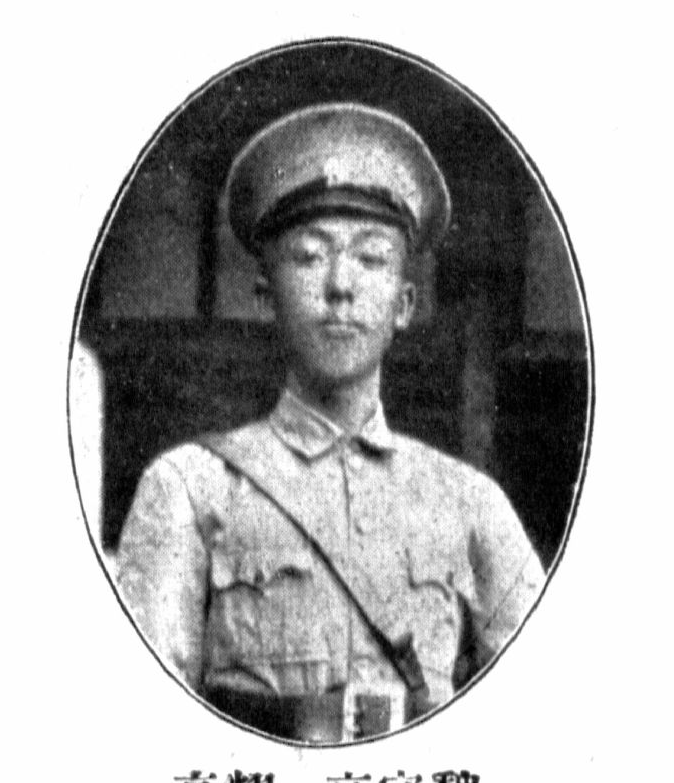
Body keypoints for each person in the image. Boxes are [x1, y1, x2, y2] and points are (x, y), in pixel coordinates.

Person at [116, 102, 545, 743]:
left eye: (371, 259)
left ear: (405, 303)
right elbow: (146, 728)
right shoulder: (188, 489)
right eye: (309, 256)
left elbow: (542, 709)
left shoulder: (470, 504)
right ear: (265, 296)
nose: (341, 285)